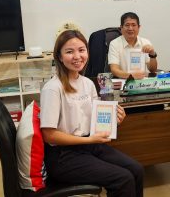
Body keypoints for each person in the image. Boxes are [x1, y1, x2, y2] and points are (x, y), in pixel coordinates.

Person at [40, 29, 144, 197]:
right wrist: (89, 139)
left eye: (81, 50)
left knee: (137, 169)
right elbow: (49, 135)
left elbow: (96, 118)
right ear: (59, 56)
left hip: (89, 144)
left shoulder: (87, 83)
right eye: (69, 51)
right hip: (64, 156)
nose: (77, 56)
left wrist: (114, 119)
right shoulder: (53, 88)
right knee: (123, 179)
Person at [108, 12, 158, 79]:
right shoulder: (114, 44)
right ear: (121, 28)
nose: (130, 28)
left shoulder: (146, 42)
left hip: (143, 82)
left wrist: (152, 54)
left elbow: (152, 70)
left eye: (133, 25)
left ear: (139, 27)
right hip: (124, 81)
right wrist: (131, 76)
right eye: (127, 25)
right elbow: (114, 70)